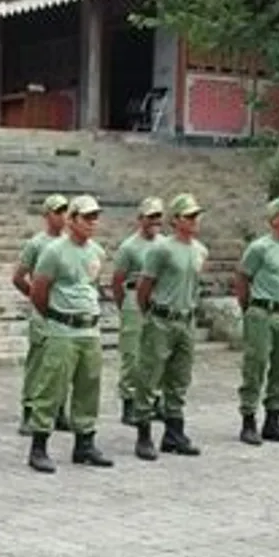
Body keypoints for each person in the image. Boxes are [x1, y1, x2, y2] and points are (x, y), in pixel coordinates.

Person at [26, 195, 115, 474]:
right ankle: (39, 446)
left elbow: (92, 285)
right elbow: (39, 291)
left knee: (89, 386)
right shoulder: (54, 251)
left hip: (89, 329)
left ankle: (84, 443)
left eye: (95, 217)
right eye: (87, 217)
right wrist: (55, 316)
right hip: (62, 328)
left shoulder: (97, 252)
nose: (93, 222)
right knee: (51, 387)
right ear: (72, 220)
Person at [133, 193, 208, 461]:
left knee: (179, 378)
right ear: (176, 220)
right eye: (189, 216)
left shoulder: (200, 250)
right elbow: (144, 287)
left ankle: (174, 433)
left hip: (186, 319)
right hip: (162, 319)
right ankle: (143, 434)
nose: (195, 220)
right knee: (150, 375)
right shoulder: (161, 249)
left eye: (197, 215)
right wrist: (151, 314)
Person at [235, 194, 279, 446]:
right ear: (275, 219)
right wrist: (249, 309)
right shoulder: (259, 248)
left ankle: (274, 418)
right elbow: (243, 278)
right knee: (256, 364)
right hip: (262, 311)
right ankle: (248, 419)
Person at [13, 194, 70, 435]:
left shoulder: (71, 243)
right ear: (47, 216)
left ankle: (58, 409)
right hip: (43, 312)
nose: (63, 216)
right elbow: (18, 276)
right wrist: (36, 298)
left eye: (65, 211)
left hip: (64, 312)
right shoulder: (37, 244)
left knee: (62, 363)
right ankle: (29, 411)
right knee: (38, 362)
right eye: (57, 212)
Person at [110, 197, 164, 427]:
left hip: (160, 296)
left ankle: (154, 399)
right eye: (150, 217)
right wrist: (125, 306)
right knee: (132, 354)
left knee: (158, 352)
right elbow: (117, 281)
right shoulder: (129, 247)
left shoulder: (164, 244)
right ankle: (129, 401)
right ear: (140, 219)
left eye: (158, 216)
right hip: (134, 295)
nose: (155, 221)